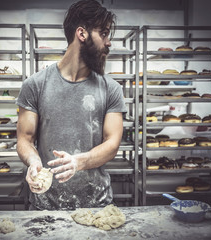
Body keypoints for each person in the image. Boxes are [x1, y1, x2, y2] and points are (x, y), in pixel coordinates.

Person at [16, 0, 127, 210]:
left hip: (97, 206)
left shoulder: (111, 88)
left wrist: (79, 162)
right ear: (82, 34)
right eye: (103, 33)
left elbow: (112, 143)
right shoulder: (35, 85)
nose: (109, 42)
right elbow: (25, 139)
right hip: (46, 206)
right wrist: (33, 161)